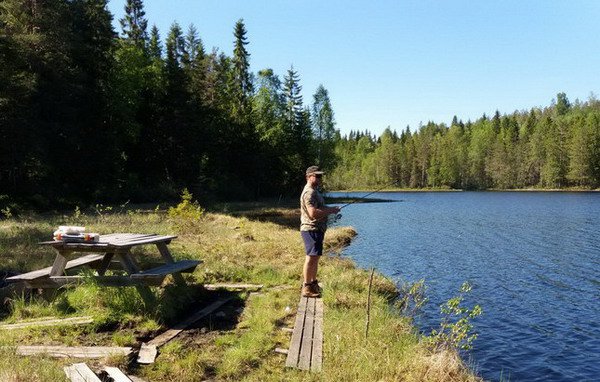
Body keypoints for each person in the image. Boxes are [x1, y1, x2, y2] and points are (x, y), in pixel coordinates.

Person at [300, 165, 340, 298]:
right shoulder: (309, 192)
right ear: (309, 176)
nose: (319, 178)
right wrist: (331, 211)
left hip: (317, 229)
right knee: (311, 257)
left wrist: (331, 208)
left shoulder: (315, 191)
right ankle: (306, 287)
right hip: (311, 229)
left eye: (320, 176)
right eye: (316, 176)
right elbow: (313, 213)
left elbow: (320, 207)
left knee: (315, 257)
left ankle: (313, 283)